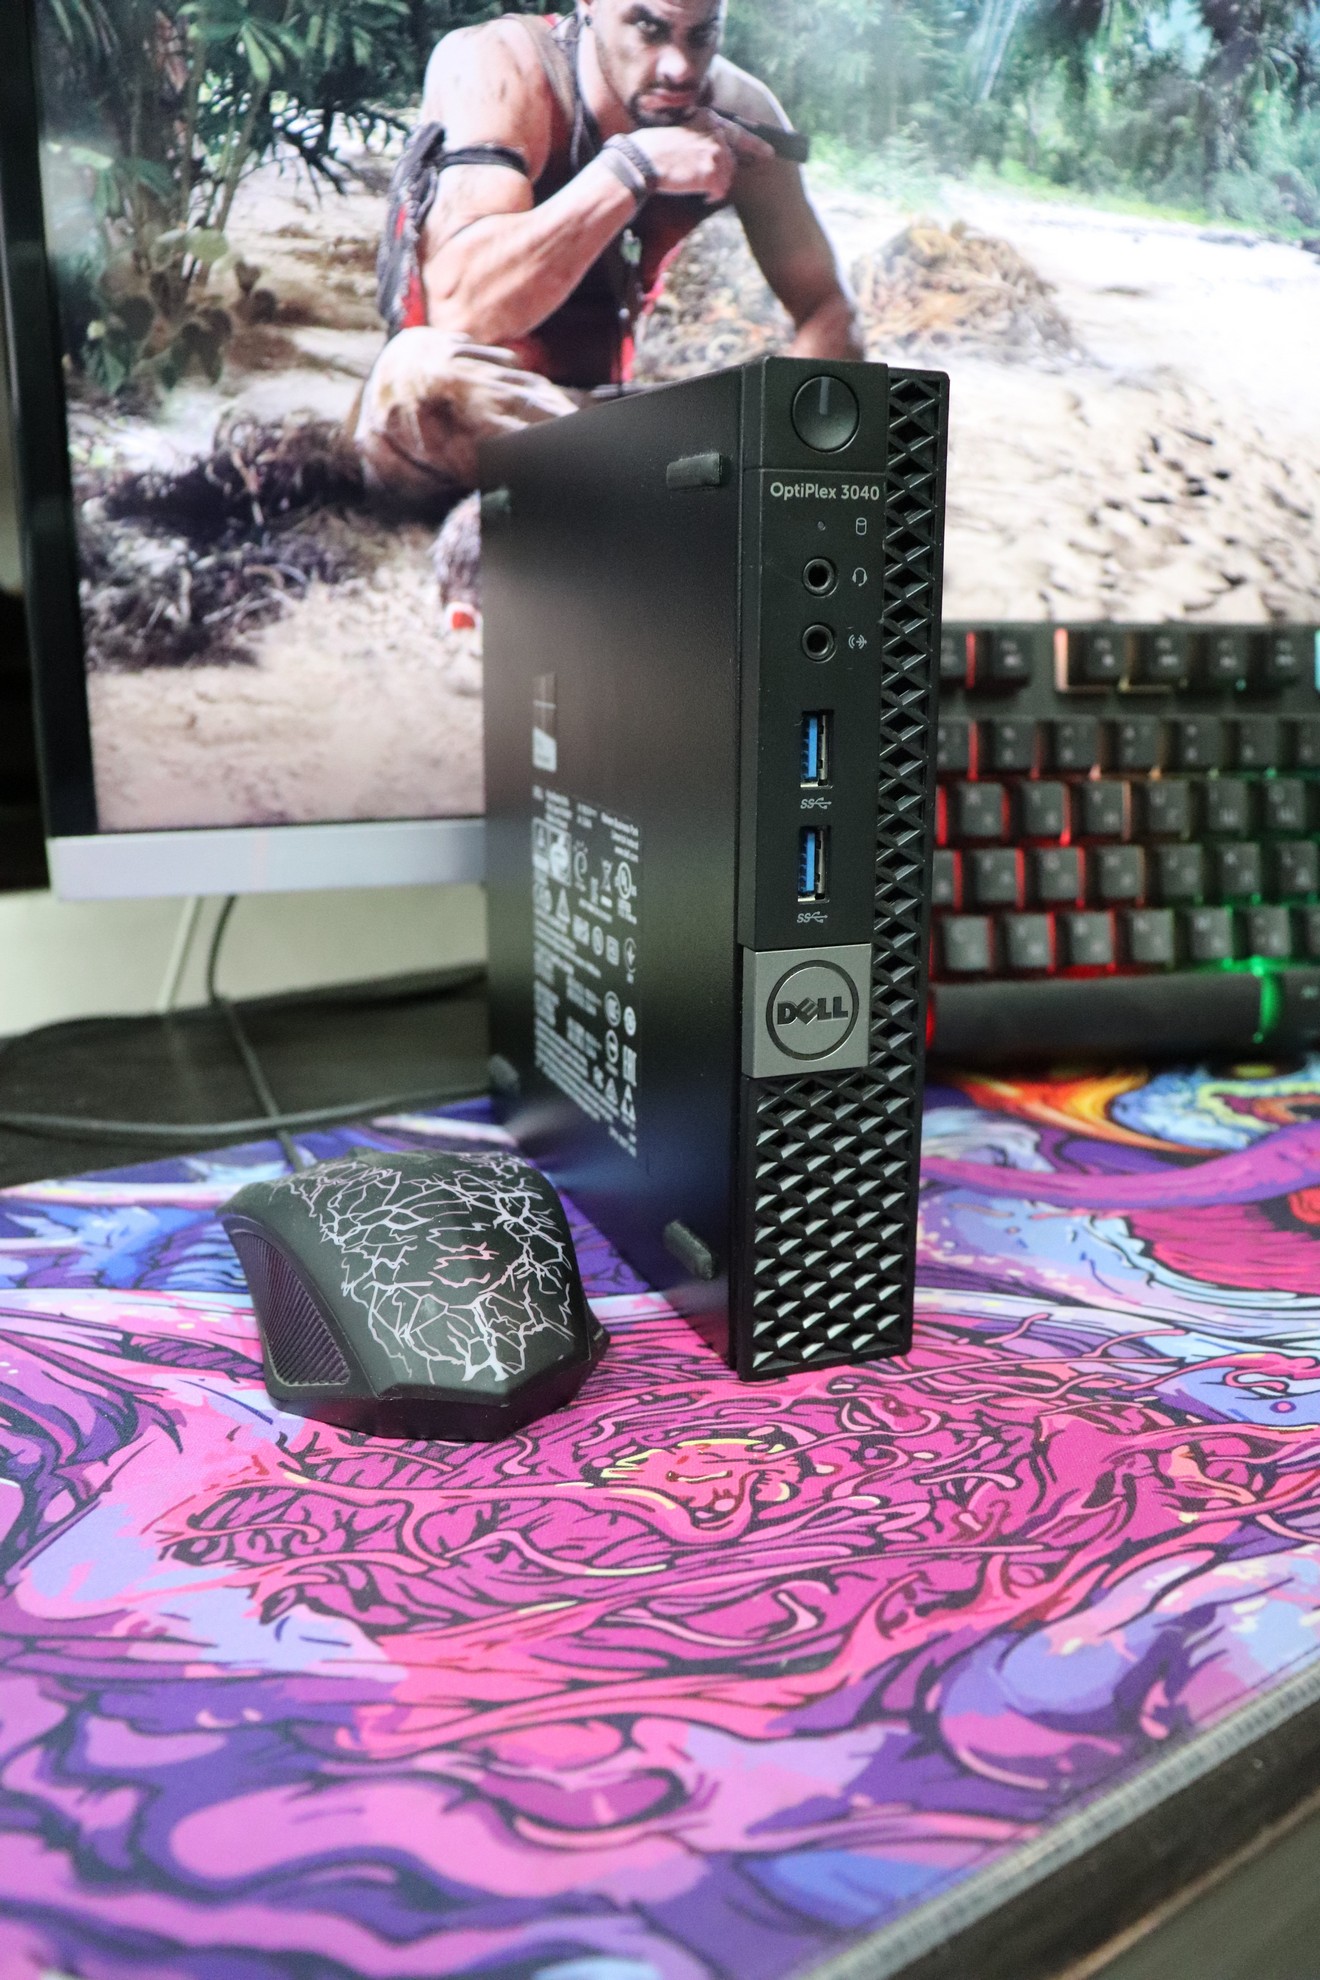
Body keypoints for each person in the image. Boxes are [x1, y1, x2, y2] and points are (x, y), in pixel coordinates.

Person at [353, 0, 863, 613]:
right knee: (418, 374)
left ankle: (640, 501)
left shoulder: (741, 112)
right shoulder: (495, 64)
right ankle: (676, 508)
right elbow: (462, 310)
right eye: (649, 28)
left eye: (702, 35)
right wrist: (631, 168)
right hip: (458, 419)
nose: (679, 67)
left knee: (761, 420)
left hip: (591, 424)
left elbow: (830, 312)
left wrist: (785, 452)